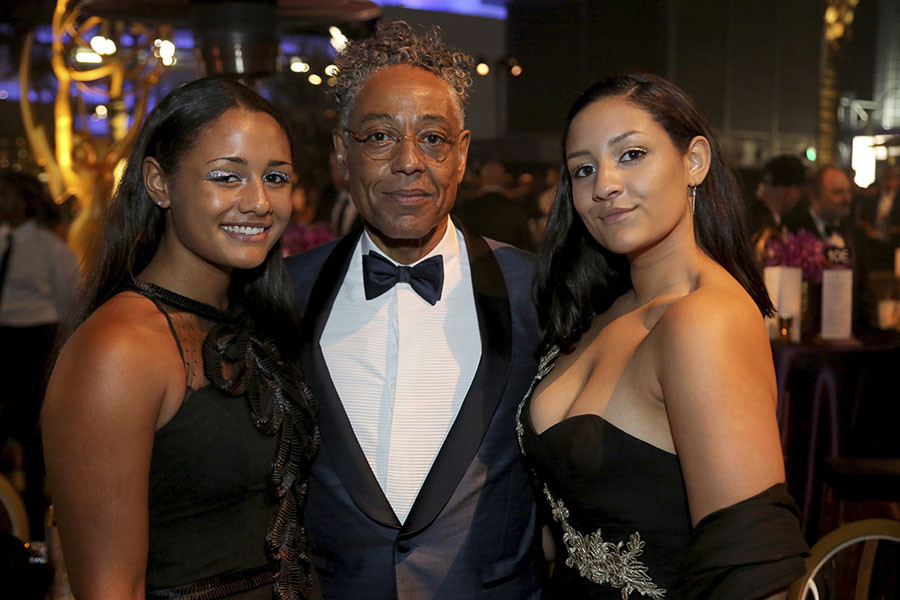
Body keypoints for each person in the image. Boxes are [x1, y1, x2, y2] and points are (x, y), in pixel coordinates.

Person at [521, 73, 808, 599]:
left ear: (693, 161)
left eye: (630, 154)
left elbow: (750, 572)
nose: (604, 183)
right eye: (583, 169)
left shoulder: (703, 319)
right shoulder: (602, 309)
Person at [286, 21, 541, 599]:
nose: (408, 161)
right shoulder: (284, 293)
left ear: (461, 155)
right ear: (341, 154)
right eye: (379, 136)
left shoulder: (535, 291)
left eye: (432, 138)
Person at [41, 77, 318, 600]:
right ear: (159, 182)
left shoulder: (246, 321)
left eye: (276, 177)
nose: (259, 202)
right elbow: (108, 588)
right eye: (226, 177)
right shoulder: (121, 347)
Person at [0, 169, 79, 538]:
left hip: (34, 341)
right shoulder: (2, 240)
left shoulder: (51, 248)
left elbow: (68, 300)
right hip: (3, 339)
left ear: (24, 200)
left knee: (32, 428)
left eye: (5, 194)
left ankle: (32, 519)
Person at [784, 164, 877, 333]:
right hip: (807, 336)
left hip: (849, 337)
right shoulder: (793, 231)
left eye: (848, 192)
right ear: (814, 197)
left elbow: (865, 289)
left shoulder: (855, 234)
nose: (847, 198)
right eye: (838, 193)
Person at [745, 154, 807, 243]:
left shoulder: (748, 213)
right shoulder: (760, 225)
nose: (799, 197)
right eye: (799, 191)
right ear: (791, 191)